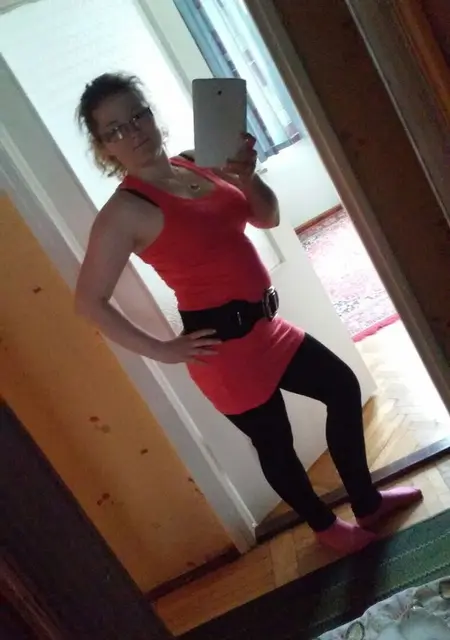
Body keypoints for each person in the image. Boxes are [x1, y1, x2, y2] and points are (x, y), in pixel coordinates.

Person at [75, 72, 422, 554]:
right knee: (276, 445)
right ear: (104, 148)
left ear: (151, 115)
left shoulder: (198, 162)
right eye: (115, 129)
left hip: (268, 327)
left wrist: (246, 176)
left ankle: (367, 503)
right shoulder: (123, 213)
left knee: (342, 387)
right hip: (222, 353)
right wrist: (163, 349)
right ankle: (326, 528)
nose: (133, 132)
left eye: (138, 115)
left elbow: (267, 216)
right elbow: (88, 301)